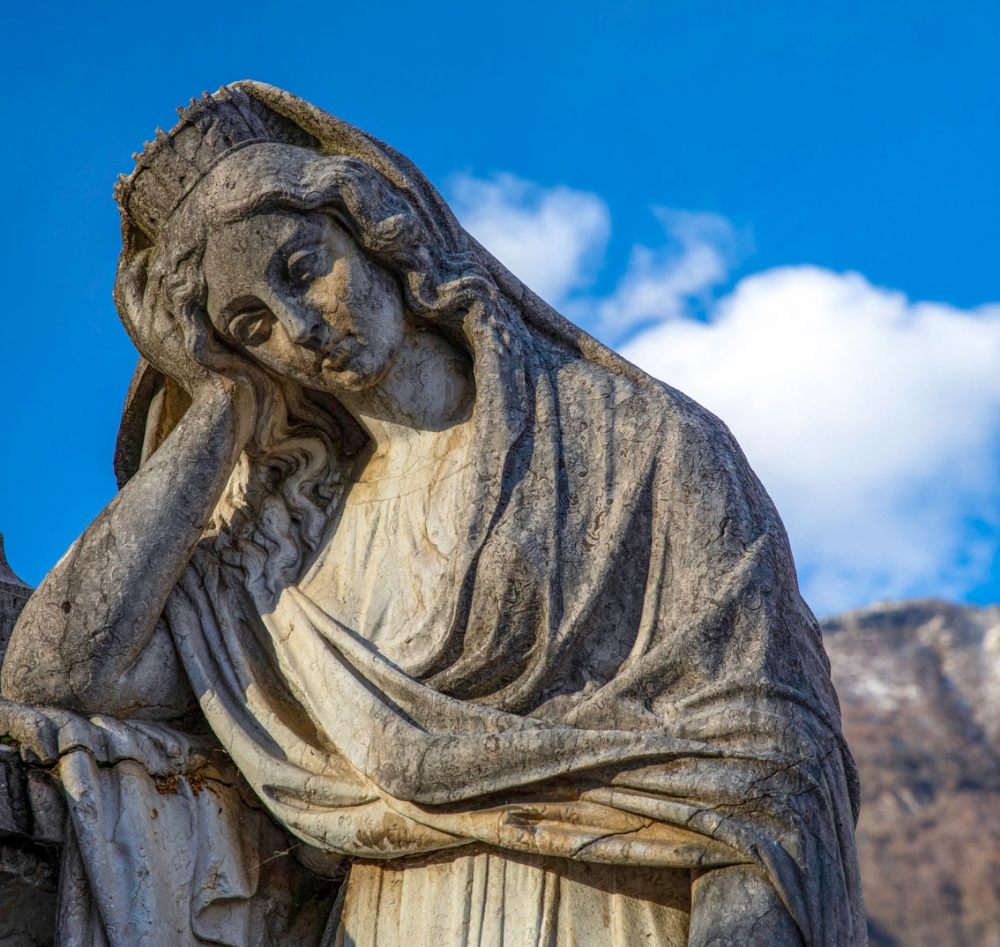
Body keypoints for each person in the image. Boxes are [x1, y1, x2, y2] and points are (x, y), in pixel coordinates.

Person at [1, 83, 865, 946]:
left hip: (616, 914)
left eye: (304, 269)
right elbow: (53, 678)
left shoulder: (631, 441)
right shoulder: (279, 558)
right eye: (251, 325)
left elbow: (765, 760)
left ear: (379, 232)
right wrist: (219, 405)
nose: (300, 330)